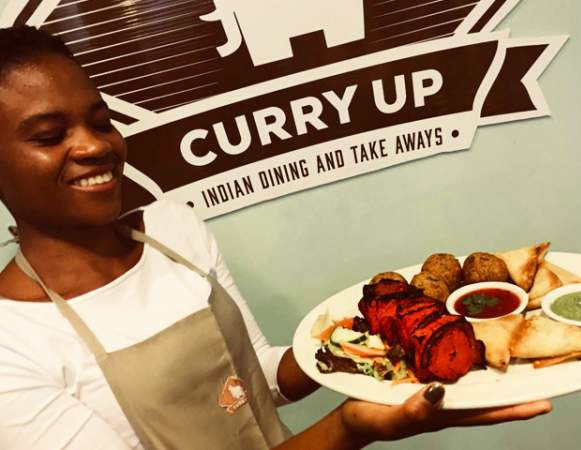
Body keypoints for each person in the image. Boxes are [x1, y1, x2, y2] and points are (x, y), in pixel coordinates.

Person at [0, 26, 551, 450]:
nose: (95, 146)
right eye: (49, 136)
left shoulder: (173, 229)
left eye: (101, 122)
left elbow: (252, 380)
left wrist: (364, 336)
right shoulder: (11, 343)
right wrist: (349, 428)